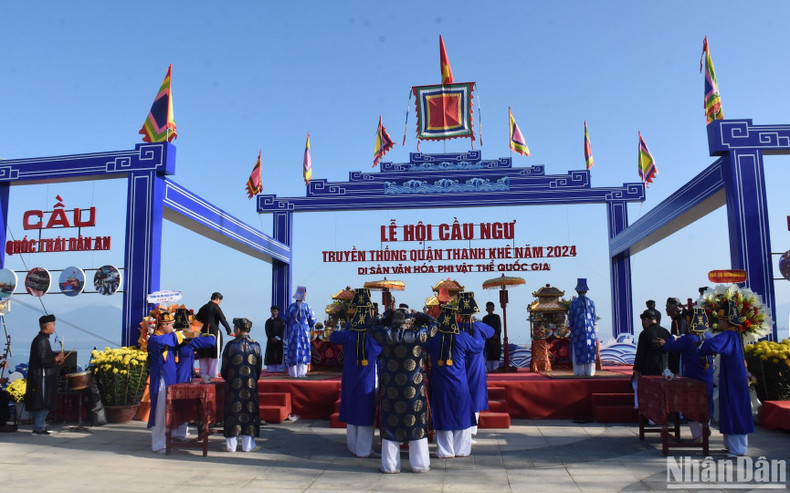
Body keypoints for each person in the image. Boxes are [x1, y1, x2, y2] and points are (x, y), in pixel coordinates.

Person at [370, 308, 432, 474]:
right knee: (417, 425)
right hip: (414, 389)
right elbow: (435, 324)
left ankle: (390, 466)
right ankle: (420, 464)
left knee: (391, 426)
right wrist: (421, 315)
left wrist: (385, 314)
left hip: (391, 388)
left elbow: (371, 324)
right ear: (409, 322)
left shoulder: (386, 334)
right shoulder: (418, 335)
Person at [426, 304, 484, 458]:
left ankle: (445, 451)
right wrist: (475, 330)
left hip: (439, 382)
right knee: (461, 413)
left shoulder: (434, 337)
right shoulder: (462, 336)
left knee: (442, 413)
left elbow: (423, 345)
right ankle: (461, 449)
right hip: (459, 383)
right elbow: (478, 346)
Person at [329, 288, 382, 457]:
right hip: (367, 376)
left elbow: (334, 337)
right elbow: (384, 346)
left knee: (353, 408)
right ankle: (363, 450)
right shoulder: (374, 335)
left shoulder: (349, 332)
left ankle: (352, 446)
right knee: (365, 410)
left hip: (351, 374)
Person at [698, 300, 754, 457]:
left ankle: (738, 449)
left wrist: (703, 341)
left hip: (734, 381)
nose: (719, 323)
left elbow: (712, 346)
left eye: (721, 320)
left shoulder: (729, 335)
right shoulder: (734, 335)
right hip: (732, 378)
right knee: (730, 409)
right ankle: (732, 446)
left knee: (735, 410)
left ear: (726, 320)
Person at [654, 307, 713, 441]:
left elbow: (669, 347)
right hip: (707, 376)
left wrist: (671, 339)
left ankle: (698, 436)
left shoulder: (688, 338)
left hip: (692, 377)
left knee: (691, 406)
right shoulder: (709, 336)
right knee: (706, 405)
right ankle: (705, 430)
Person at [220, 317, 262, 453]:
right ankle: (248, 446)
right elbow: (259, 369)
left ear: (237, 329)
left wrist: (229, 379)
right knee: (249, 413)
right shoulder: (256, 345)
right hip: (251, 385)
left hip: (234, 386)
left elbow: (224, 368)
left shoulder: (231, 345)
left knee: (233, 412)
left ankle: (230, 446)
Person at [147, 309, 184, 453]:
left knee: (167, 410)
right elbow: (172, 339)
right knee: (160, 411)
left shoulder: (166, 337)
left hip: (169, 378)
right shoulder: (155, 339)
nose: (172, 328)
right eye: (170, 325)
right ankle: (158, 443)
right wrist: (180, 335)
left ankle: (167, 438)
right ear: (163, 325)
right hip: (161, 379)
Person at [459, 292, 494, 437]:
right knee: (476, 391)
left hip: (461, 363)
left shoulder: (458, 328)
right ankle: (473, 428)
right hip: (476, 363)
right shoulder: (479, 326)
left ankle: (464, 425)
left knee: (463, 391)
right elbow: (491, 332)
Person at [172, 331, 216, 441]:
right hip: (184, 378)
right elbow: (211, 342)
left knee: (171, 407)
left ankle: (171, 433)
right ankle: (180, 433)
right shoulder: (189, 338)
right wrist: (198, 334)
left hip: (170, 375)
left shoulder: (168, 337)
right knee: (184, 406)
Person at [25, 314, 64, 435]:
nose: (54, 327)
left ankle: (39, 426)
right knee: (43, 401)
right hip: (41, 376)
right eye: (53, 325)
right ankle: (38, 427)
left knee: (43, 401)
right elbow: (42, 360)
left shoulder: (43, 340)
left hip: (43, 375)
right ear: (46, 327)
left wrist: (55, 359)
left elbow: (45, 357)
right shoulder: (41, 341)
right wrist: (56, 359)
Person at [631, 307, 670, 408]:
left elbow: (640, 354)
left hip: (649, 370)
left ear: (646, 320)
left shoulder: (645, 333)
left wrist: (637, 370)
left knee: (651, 393)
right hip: (665, 369)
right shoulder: (666, 332)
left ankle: (652, 418)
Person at [194, 292, 232, 379]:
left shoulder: (203, 307)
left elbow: (196, 321)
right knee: (215, 353)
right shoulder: (216, 308)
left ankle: (203, 373)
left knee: (203, 353)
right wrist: (229, 331)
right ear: (218, 299)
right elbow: (223, 320)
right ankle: (213, 374)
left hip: (202, 334)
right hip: (214, 333)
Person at [567, 278, 597, 377]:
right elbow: (593, 317)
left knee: (578, 349)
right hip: (590, 331)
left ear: (577, 291)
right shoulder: (591, 302)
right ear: (586, 291)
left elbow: (571, 317)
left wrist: (572, 327)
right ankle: (590, 372)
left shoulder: (574, 303)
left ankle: (579, 372)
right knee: (590, 349)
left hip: (578, 330)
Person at [284, 286, 316, 378]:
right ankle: (301, 373)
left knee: (293, 351)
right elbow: (312, 321)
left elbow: (285, 319)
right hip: (304, 332)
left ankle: (293, 373)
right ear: (304, 295)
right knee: (303, 350)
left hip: (292, 332)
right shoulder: (307, 307)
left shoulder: (290, 307)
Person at [664, 297, 688, 374]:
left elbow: (679, 338)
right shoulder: (676, 320)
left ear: (675, 308)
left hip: (678, 358)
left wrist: (665, 343)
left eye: (668, 307)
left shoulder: (679, 320)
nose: (666, 309)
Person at [264, 305, 285, 373]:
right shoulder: (268, 321)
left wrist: (278, 338)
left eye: (275, 311)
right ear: (271, 311)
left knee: (279, 353)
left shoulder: (280, 321)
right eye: (273, 310)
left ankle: (279, 368)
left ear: (278, 312)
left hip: (278, 340)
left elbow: (282, 330)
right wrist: (271, 338)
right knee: (270, 354)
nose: (274, 312)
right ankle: (271, 368)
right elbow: (267, 331)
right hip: (270, 341)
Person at [482, 301, 502, 372]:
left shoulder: (496, 317)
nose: (489, 309)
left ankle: (495, 368)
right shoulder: (485, 318)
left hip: (496, 339)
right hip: (487, 339)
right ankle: (489, 369)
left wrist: (494, 335)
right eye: (488, 308)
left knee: (495, 354)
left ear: (493, 309)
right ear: (486, 309)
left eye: (491, 307)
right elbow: (483, 328)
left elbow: (498, 328)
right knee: (489, 354)